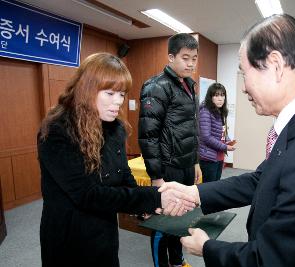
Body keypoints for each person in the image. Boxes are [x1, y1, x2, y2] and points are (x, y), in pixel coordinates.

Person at [160, 14, 295, 267]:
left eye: (245, 73)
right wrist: (194, 192)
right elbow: (261, 179)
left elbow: (272, 259)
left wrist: (207, 247)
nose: (243, 88)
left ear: (275, 65)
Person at [37, 53, 195, 267]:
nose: (118, 102)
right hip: (69, 233)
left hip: (104, 227)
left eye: (121, 94)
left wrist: (144, 206)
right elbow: (87, 194)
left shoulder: (114, 127)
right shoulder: (57, 131)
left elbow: (123, 174)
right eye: (110, 93)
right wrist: (153, 198)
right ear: (86, 89)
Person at [138, 33, 201, 267]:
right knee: (161, 223)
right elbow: (148, 136)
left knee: (180, 219)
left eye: (194, 58)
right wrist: (156, 177)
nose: (191, 63)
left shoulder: (189, 86)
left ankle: (176, 261)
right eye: (186, 58)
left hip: (185, 166)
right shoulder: (156, 86)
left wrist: (194, 161)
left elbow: (192, 130)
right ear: (171, 57)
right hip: (167, 168)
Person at [199, 82, 235, 182]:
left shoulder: (220, 111)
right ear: (210, 97)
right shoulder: (205, 111)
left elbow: (222, 131)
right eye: (216, 95)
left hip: (219, 156)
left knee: (215, 185)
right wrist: (224, 147)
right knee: (209, 188)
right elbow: (206, 137)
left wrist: (227, 140)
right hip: (208, 158)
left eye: (222, 95)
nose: (220, 98)